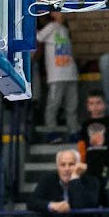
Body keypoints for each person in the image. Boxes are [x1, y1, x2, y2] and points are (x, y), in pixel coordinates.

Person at [35, 9, 79, 143]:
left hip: (71, 73)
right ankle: (51, 131)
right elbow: (38, 37)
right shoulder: (51, 27)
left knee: (72, 105)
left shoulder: (65, 29)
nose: (63, 13)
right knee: (53, 105)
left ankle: (73, 131)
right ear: (52, 13)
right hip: (56, 75)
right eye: (60, 11)